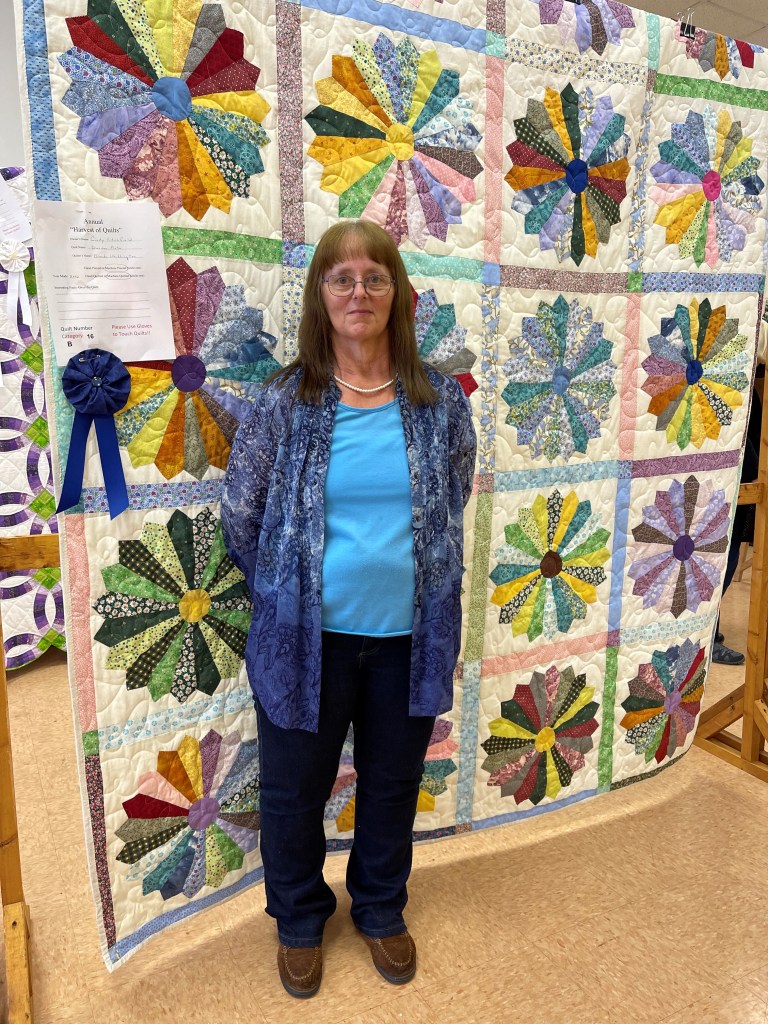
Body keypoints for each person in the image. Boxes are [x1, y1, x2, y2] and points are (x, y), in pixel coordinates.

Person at [221, 220, 476, 998]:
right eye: (342, 277)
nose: (358, 291)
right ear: (320, 294)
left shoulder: (437, 403)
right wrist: (286, 589)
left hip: (410, 636)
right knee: (294, 789)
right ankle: (299, 919)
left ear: (397, 292)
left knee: (393, 782)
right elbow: (243, 513)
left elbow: (452, 495)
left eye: (374, 276)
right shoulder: (285, 400)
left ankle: (379, 907)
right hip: (308, 641)